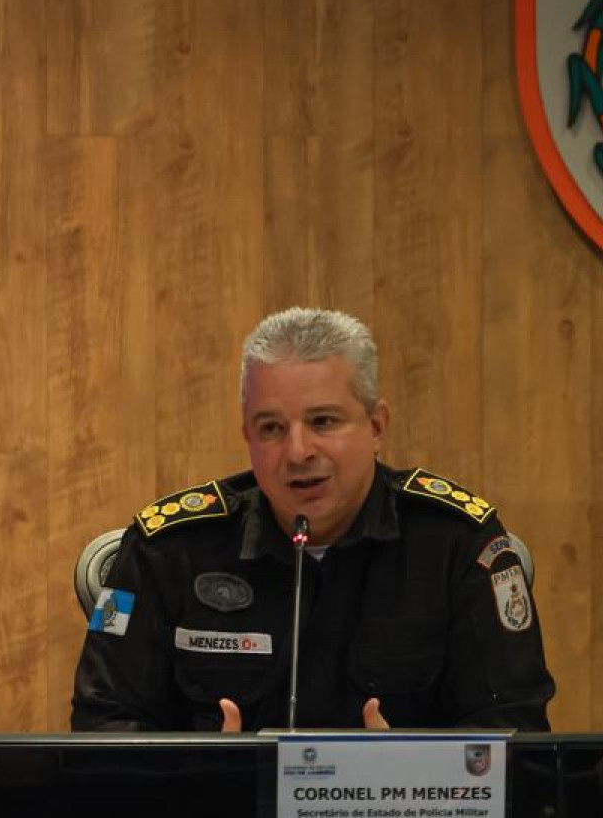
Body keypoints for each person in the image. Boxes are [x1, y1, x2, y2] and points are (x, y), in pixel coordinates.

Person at [72, 307, 554, 731]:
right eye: (272, 428)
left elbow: (515, 728)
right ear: (247, 435)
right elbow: (103, 725)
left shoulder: (455, 543)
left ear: (377, 426)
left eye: (323, 421)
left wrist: (412, 780)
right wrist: (208, 777)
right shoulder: (168, 549)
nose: (297, 452)